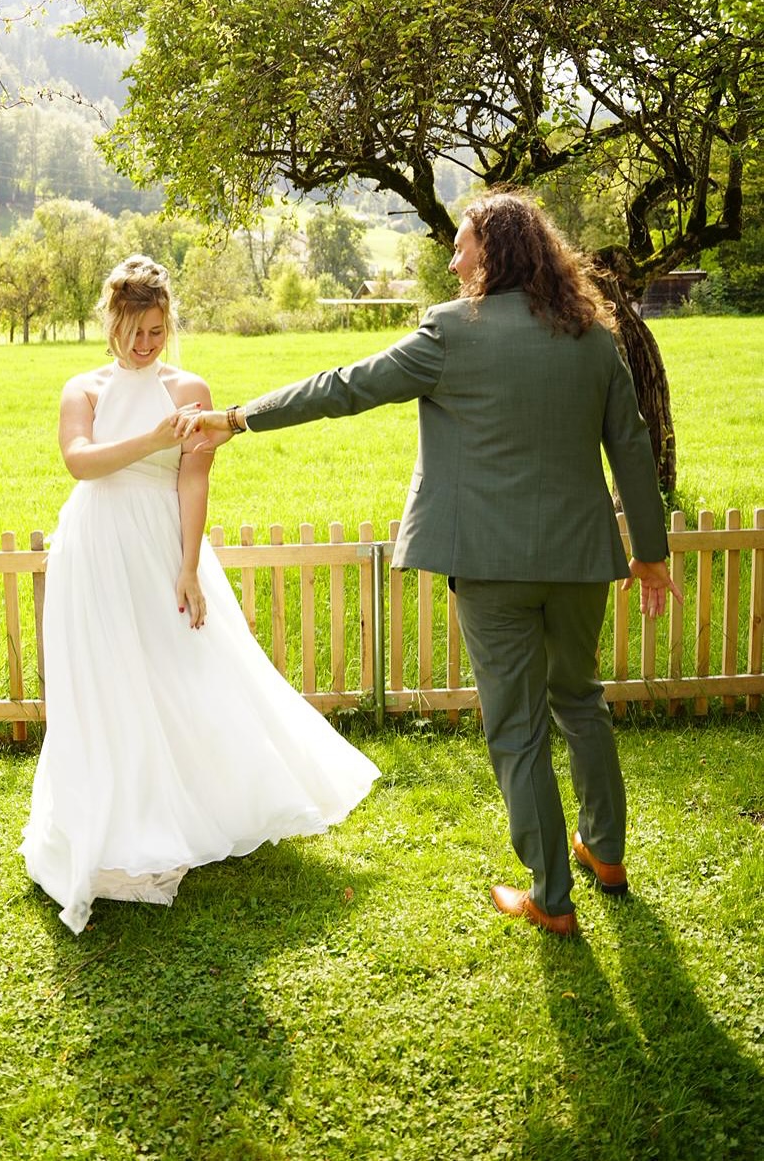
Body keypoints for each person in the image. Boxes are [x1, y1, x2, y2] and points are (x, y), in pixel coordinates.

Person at [174, 191, 681, 938]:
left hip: (490, 563)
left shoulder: (450, 331)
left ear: (493, 252)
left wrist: (237, 417)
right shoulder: (591, 335)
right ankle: (605, 853)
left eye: (462, 246)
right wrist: (652, 556)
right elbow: (632, 446)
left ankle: (552, 896)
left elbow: (345, 387)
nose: (452, 261)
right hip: (580, 559)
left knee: (517, 727)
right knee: (580, 699)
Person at [20, 254, 379, 934]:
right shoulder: (83, 389)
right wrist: (150, 437)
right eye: (133, 330)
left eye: (156, 330)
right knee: (106, 678)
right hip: (96, 545)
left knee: (182, 668)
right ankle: (113, 818)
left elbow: (192, 477)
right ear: (110, 322)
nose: (144, 343)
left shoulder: (190, 389)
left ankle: (194, 807)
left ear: (169, 324)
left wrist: (188, 567)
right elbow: (79, 461)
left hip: (162, 543)